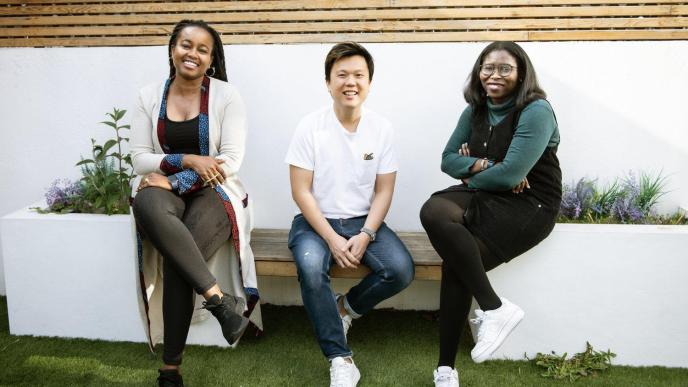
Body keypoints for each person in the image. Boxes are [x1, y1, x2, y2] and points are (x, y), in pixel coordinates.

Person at [419, 41, 562, 387]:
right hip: (484, 192)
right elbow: (447, 159)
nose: (494, 75)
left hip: (530, 203)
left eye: (504, 68)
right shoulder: (474, 111)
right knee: (433, 211)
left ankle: (445, 369)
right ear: (478, 72)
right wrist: (485, 166)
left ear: (521, 74)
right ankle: (495, 309)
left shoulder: (536, 110)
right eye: (487, 67)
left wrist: (475, 170)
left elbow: (513, 176)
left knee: (456, 264)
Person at [130, 19, 261, 387]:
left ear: (211, 60)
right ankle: (220, 302)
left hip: (216, 192)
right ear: (173, 48)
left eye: (203, 49)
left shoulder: (227, 96)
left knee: (177, 258)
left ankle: (170, 371)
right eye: (187, 45)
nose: (193, 54)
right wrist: (186, 161)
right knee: (148, 202)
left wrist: (179, 179)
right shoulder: (148, 96)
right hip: (163, 187)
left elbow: (230, 160)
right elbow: (139, 158)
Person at [285, 42, 414, 387]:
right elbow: (301, 191)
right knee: (312, 268)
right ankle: (340, 359)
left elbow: (384, 190)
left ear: (369, 82)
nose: (350, 82)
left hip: (362, 221)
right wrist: (331, 237)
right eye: (341, 75)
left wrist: (367, 233)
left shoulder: (381, 129)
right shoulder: (309, 126)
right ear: (328, 82)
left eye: (359, 75)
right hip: (315, 223)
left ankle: (345, 309)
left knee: (400, 270)